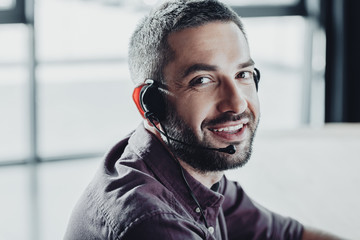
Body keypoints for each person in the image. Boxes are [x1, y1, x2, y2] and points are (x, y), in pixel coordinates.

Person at [65, 0, 342, 239]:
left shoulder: (193, 170)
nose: (236, 103)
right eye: (203, 80)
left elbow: (289, 235)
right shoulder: (151, 222)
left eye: (243, 74)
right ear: (149, 103)